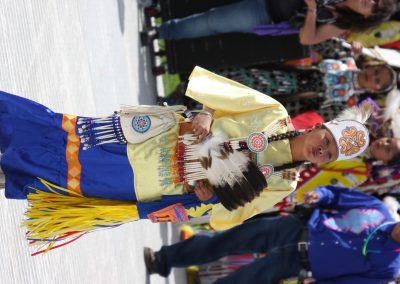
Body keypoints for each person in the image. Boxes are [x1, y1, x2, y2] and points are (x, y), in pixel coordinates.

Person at [0, 66, 370, 253]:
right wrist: (206, 114)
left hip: (155, 185)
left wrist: (207, 197)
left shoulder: (283, 183)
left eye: (331, 153)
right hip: (152, 141)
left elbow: (225, 214)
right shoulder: (272, 113)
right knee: (64, 137)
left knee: (69, 177)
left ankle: (6, 170)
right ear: (320, 126)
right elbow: (216, 93)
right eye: (326, 140)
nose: (322, 149)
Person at [144, 185, 400, 283]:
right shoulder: (378, 209)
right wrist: (319, 195)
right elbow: (337, 195)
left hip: (299, 264)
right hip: (294, 228)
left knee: (242, 281)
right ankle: (163, 260)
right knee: (227, 240)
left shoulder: (389, 268)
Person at [140, 0, 396, 45]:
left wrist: (311, 9)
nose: (369, 2)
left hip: (265, 13)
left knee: (211, 22)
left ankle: (160, 31)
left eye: (374, 7)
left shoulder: (342, 23)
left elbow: (307, 39)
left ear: (368, 18)